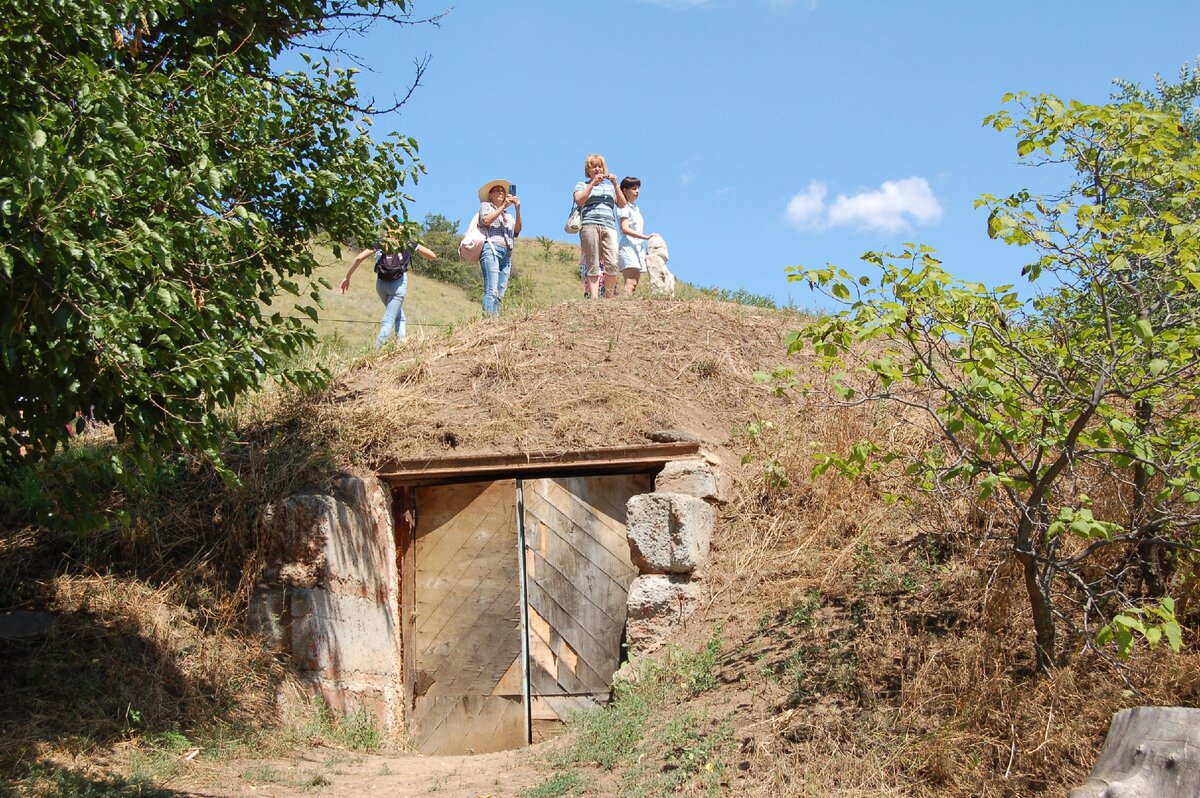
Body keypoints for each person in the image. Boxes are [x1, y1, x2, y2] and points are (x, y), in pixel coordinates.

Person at [340, 225, 436, 347]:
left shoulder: (380, 243)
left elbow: (359, 258)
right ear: (402, 229)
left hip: (381, 284)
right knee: (389, 320)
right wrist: (415, 248)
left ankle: (401, 345)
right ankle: (376, 350)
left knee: (399, 316)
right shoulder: (407, 243)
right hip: (398, 284)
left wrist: (347, 277)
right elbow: (432, 255)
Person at [574, 154, 626, 299]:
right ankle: (595, 298)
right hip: (589, 225)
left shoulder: (610, 188)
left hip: (609, 225)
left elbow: (622, 204)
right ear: (588, 170)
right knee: (593, 262)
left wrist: (615, 184)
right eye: (594, 166)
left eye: (599, 166)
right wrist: (592, 184)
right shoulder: (582, 185)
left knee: (612, 262)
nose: (597, 169)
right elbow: (579, 200)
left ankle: (608, 297)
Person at [475, 179, 522, 316]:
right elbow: (485, 220)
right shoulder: (486, 206)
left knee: (500, 292)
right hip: (491, 249)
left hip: (507, 253)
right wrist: (503, 207)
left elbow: (517, 231)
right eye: (497, 190)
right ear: (490, 194)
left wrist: (518, 210)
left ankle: (495, 319)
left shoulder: (509, 215)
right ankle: (488, 321)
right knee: (491, 289)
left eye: (503, 190)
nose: (501, 192)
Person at [617, 176, 657, 296]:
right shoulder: (623, 206)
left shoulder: (636, 208)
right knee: (630, 282)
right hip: (628, 246)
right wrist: (646, 237)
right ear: (624, 190)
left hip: (638, 247)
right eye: (633, 188)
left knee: (634, 284)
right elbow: (625, 229)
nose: (637, 191)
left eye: (638, 189)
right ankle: (623, 307)